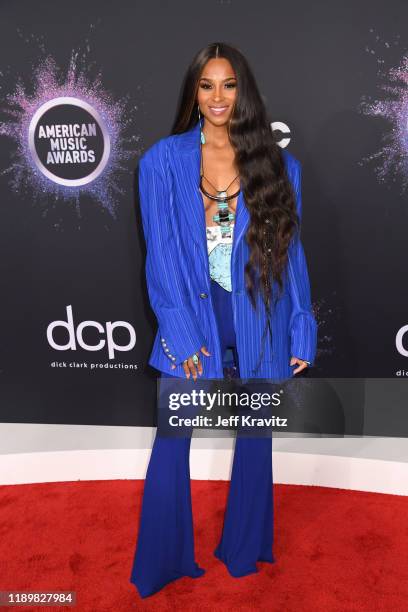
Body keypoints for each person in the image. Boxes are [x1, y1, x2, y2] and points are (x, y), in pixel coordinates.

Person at [130, 42, 318, 599]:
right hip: (192, 318)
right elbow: (159, 255)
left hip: (261, 319)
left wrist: (302, 322)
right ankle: (163, 562)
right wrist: (182, 332)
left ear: (245, 91)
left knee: (256, 440)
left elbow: (293, 255)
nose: (218, 97)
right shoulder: (162, 162)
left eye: (229, 84)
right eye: (207, 85)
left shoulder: (281, 166)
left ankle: (242, 552)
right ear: (194, 91)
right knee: (172, 440)